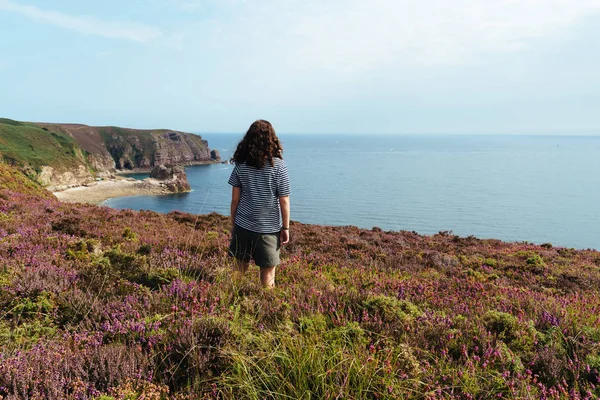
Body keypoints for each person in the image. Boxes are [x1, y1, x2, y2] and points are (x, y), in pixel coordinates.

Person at [228, 120, 291, 288]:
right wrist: (285, 228)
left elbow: (235, 200)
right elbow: (284, 199)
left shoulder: (241, 165)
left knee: (238, 270)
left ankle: (231, 302)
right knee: (268, 275)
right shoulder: (279, 166)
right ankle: (266, 309)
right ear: (272, 139)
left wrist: (234, 223)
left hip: (243, 226)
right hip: (268, 229)